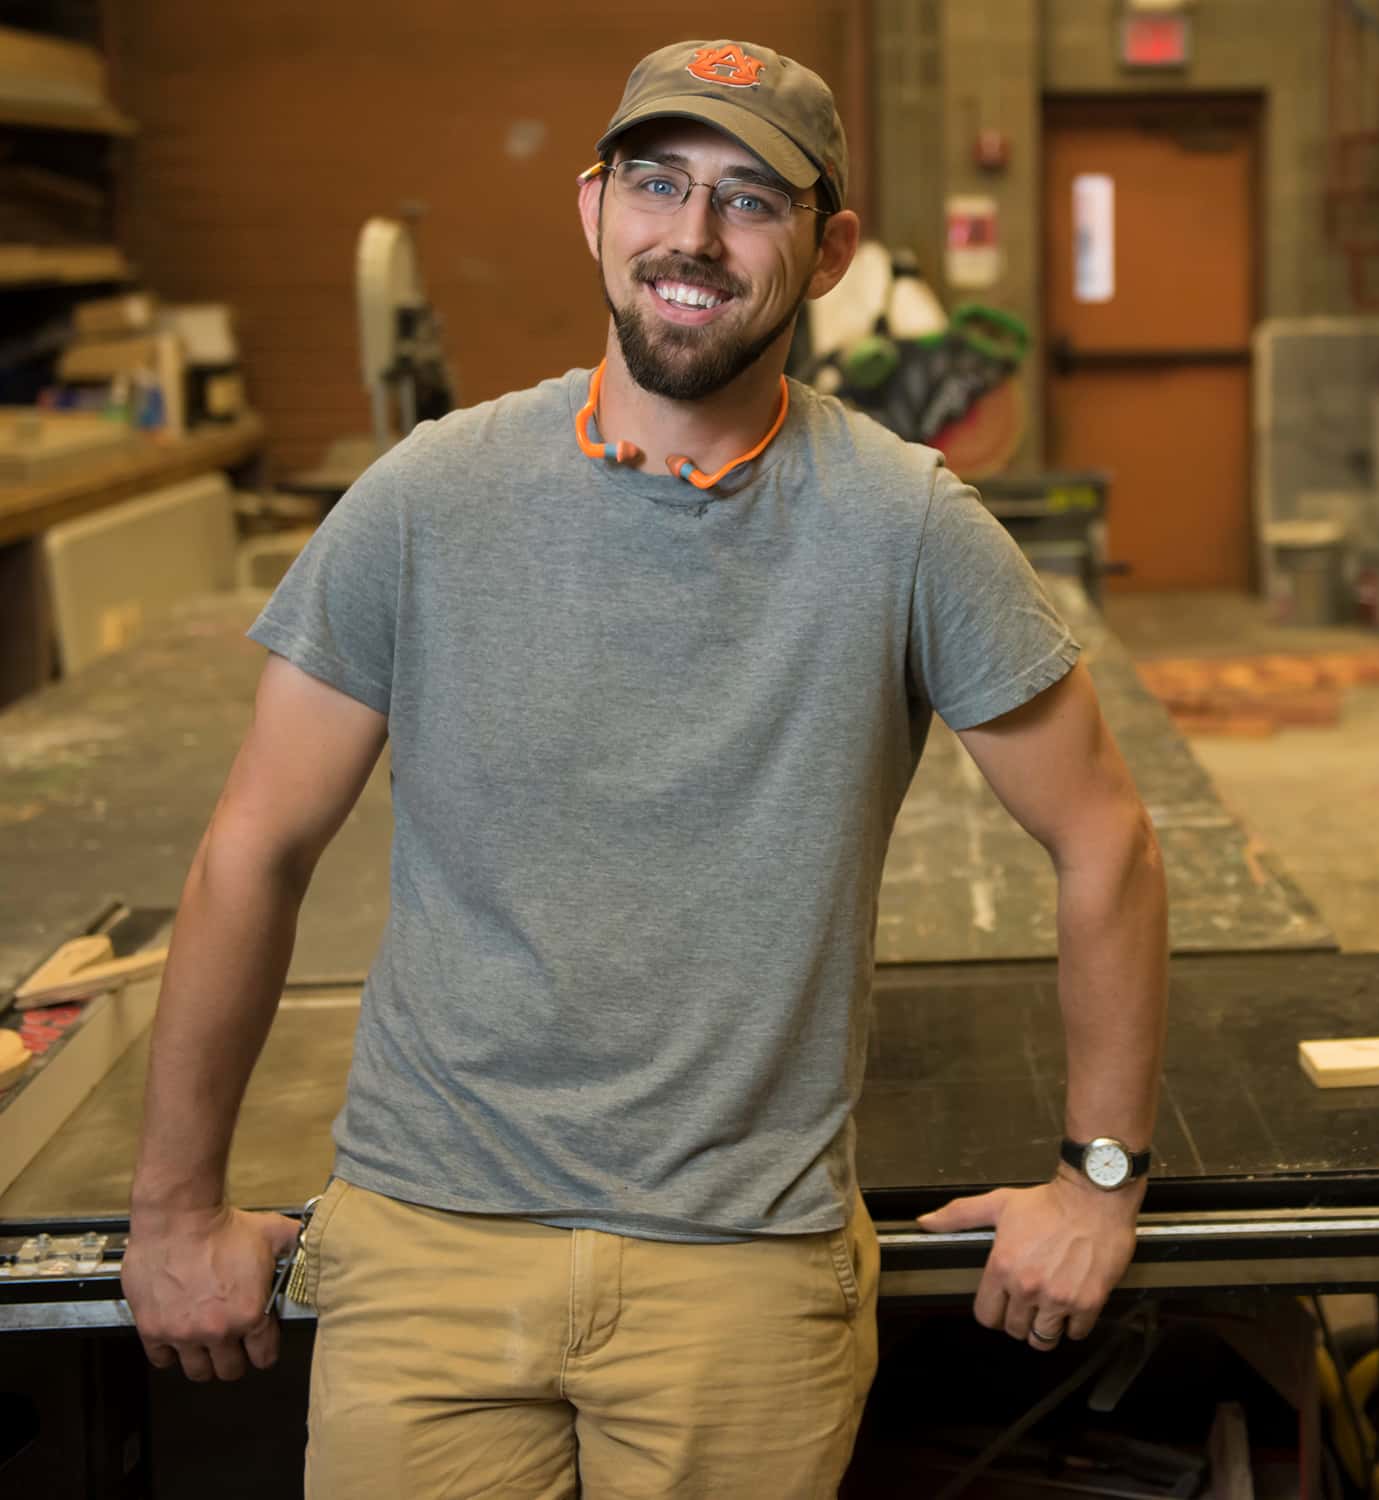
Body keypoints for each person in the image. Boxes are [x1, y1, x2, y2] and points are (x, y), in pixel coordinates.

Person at [119, 38, 1168, 1498]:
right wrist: (172, 1207)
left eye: (750, 199)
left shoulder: (906, 526)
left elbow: (1104, 838)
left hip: (742, 1272)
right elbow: (255, 847)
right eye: (657, 183)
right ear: (594, 207)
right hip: (429, 1246)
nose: (692, 234)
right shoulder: (429, 498)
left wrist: (1101, 1181)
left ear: (830, 250)